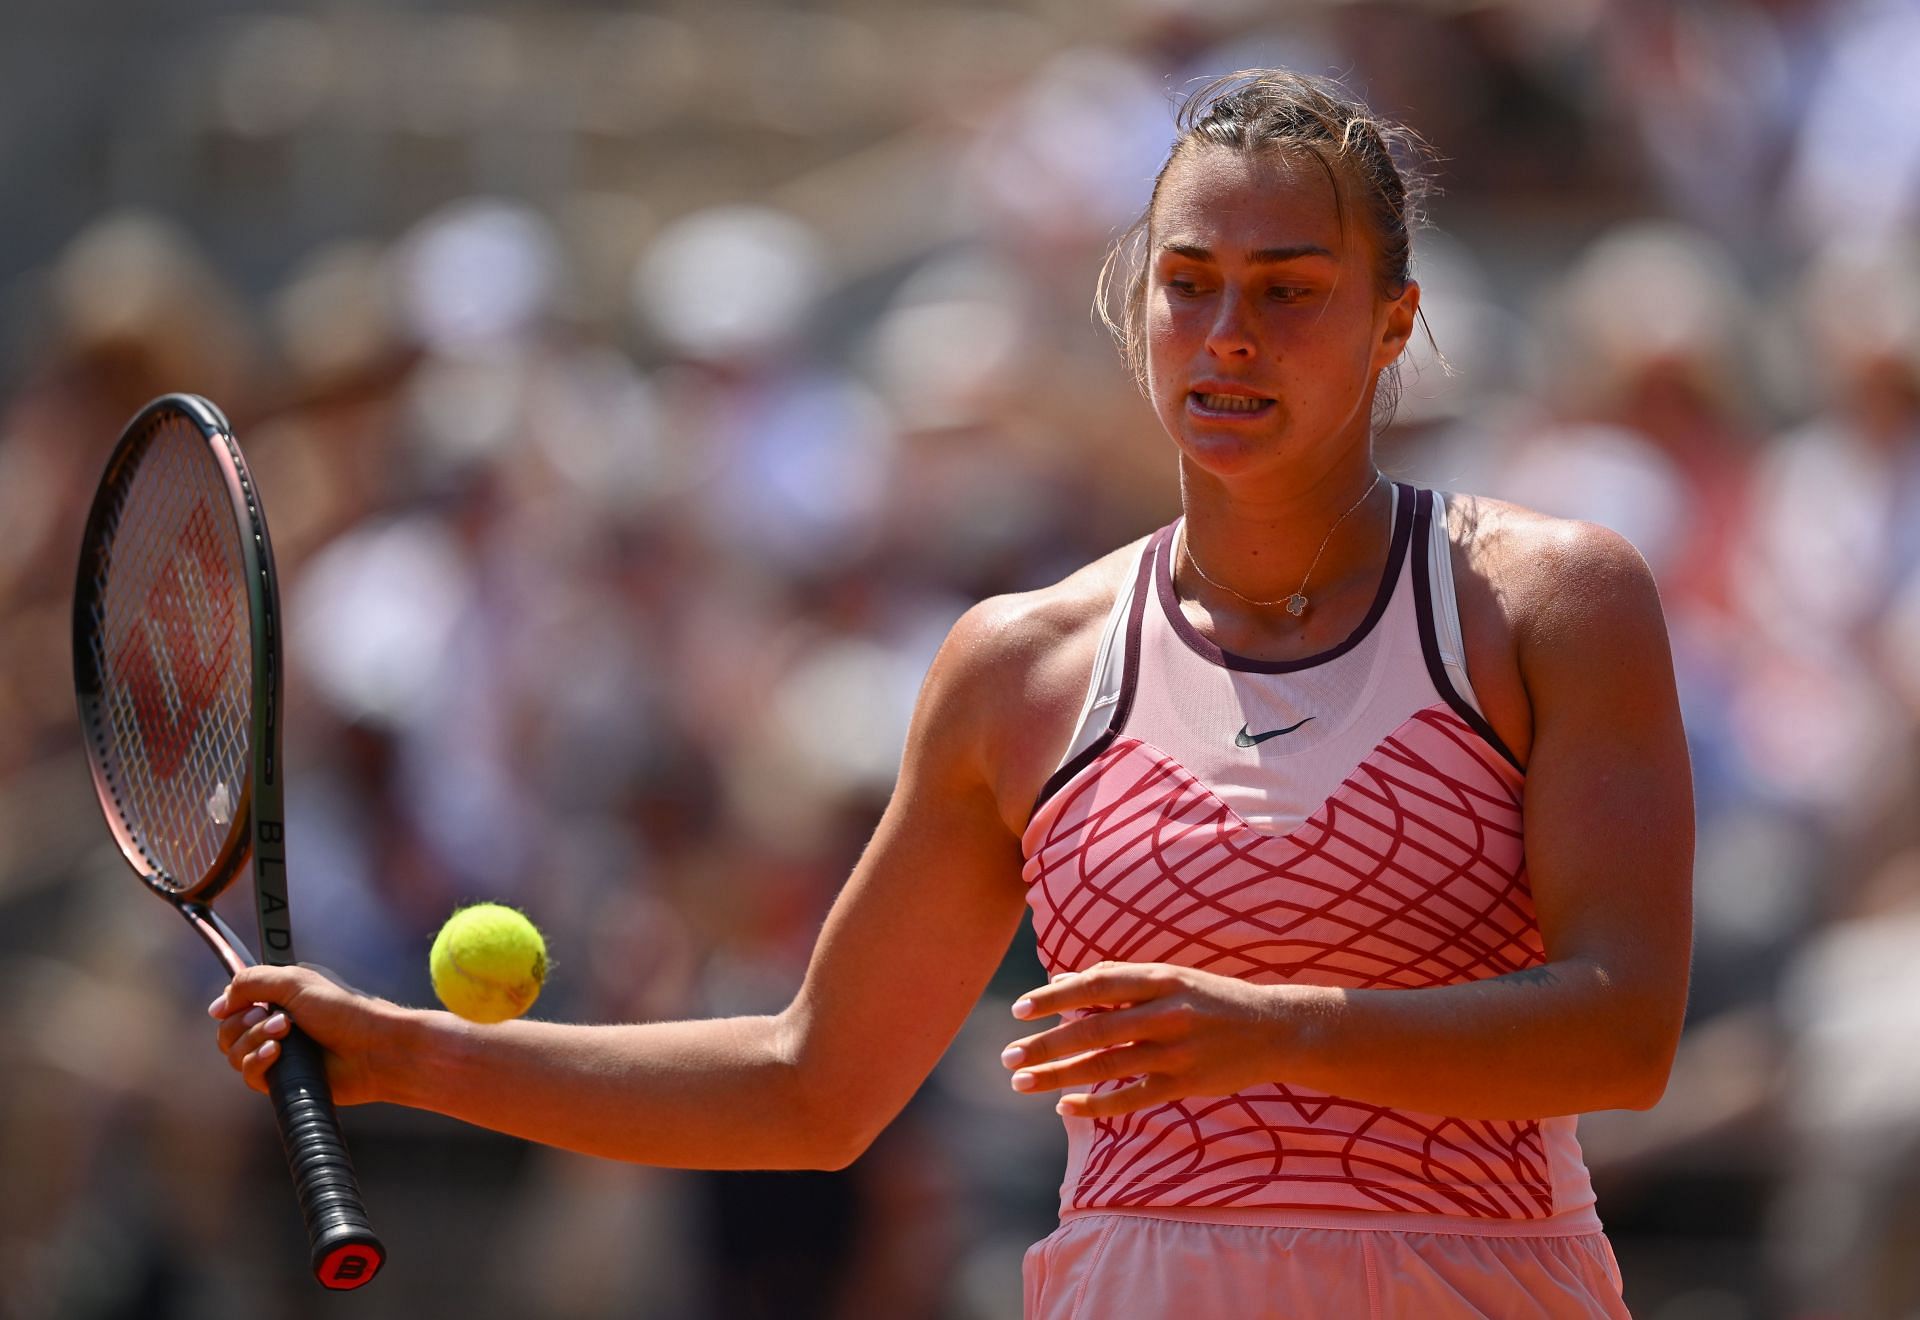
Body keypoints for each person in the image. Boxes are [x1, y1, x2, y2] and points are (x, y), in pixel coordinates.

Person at [213, 70, 1692, 1317]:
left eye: (1290, 291)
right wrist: (412, 1052)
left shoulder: (1554, 601)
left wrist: (1280, 1029)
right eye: (1189, 285)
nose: (1229, 332)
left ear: (1391, 322)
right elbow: (810, 1083)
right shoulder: (1019, 667)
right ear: (1137, 311)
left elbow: (1622, 1033)